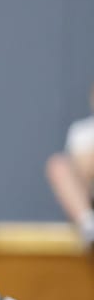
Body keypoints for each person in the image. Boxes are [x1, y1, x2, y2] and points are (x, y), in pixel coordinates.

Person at [45, 81, 94, 253]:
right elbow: (81, 169)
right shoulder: (82, 131)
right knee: (58, 165)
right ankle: (89, 226)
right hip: (89, 200)